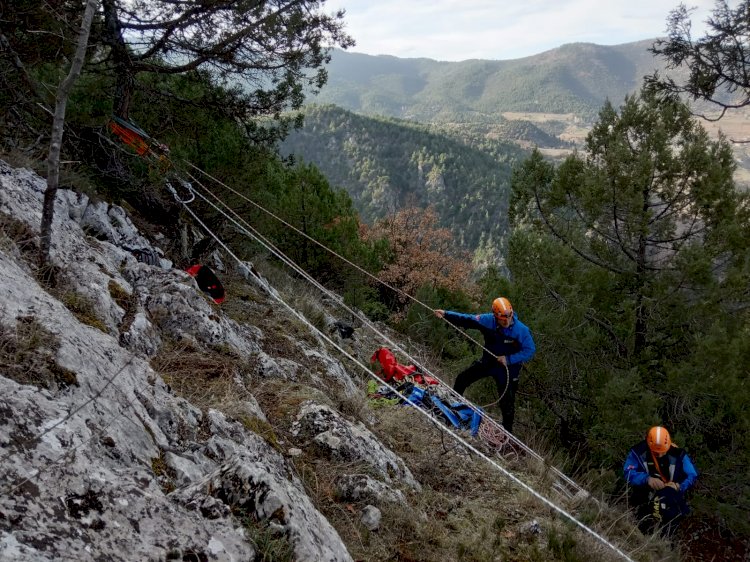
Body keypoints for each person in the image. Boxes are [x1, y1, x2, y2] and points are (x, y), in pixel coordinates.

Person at [434, 297, 535, 433]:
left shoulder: (521, 330)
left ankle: (508, 436)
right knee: (462, 379)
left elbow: (530, 350)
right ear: (495, 316)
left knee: (507, 405)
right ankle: (453, 409)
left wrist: (509, 359)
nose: (506, 322)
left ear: (512, 313)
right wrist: (446, 314)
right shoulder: (487, 320)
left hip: (507, 370)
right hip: (489, 363)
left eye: (508, 318)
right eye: (502, 319)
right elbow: (467, 320)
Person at [623, 426, 698, 537]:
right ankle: (641, 535)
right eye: (656, 452)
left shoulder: (679, 454)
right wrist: (647, 479)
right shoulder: (638, 452)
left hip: (670, 493)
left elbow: (692, 474)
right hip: (645, 491)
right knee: (642, 511)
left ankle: (666, 541)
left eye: (663, 451)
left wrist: (678, 485)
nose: (660, 455)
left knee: (672, 517)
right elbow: (628, 472)